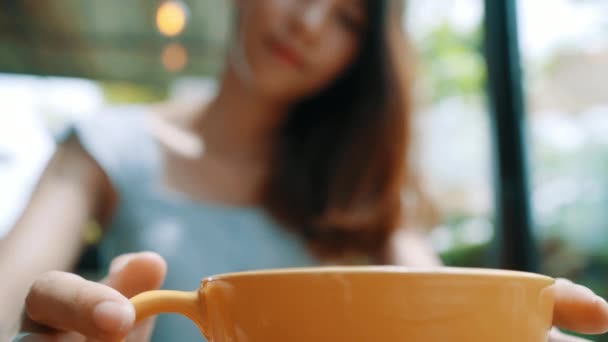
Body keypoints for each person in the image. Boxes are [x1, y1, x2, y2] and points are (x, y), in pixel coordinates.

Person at [1, 0, 607, 341]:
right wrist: (46, 329)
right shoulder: (108, 144)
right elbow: (8, 302)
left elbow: (439, 306)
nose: (309, 24)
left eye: (348, 19)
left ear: (358, 59)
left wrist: (527, 330)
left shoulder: (353, 178)